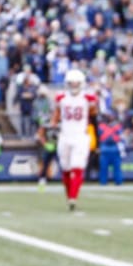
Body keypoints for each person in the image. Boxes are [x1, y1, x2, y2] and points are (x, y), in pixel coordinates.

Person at [53, 69, 97, 210]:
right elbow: (57, 113)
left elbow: (93, 114)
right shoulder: (61, 98)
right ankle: (69, 196)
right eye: (71, 83)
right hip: (65, 134)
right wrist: (53, 123)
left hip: (80, 136)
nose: (74, 85)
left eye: (76, 83)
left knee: (77, 167)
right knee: (65, 168)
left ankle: (73, 198)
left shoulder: (88, 98)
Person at [97, 110, 124, 186]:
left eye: (111, 116)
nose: (109, 117)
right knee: (103, 168)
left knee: (117, 168)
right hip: (105, 150)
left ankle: (118, 182)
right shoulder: (101, 126)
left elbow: (120, 138)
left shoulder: (118, 126)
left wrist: (112, 137)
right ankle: (103, 183)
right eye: (108, 116)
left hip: (115, 150)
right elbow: (101, 137)